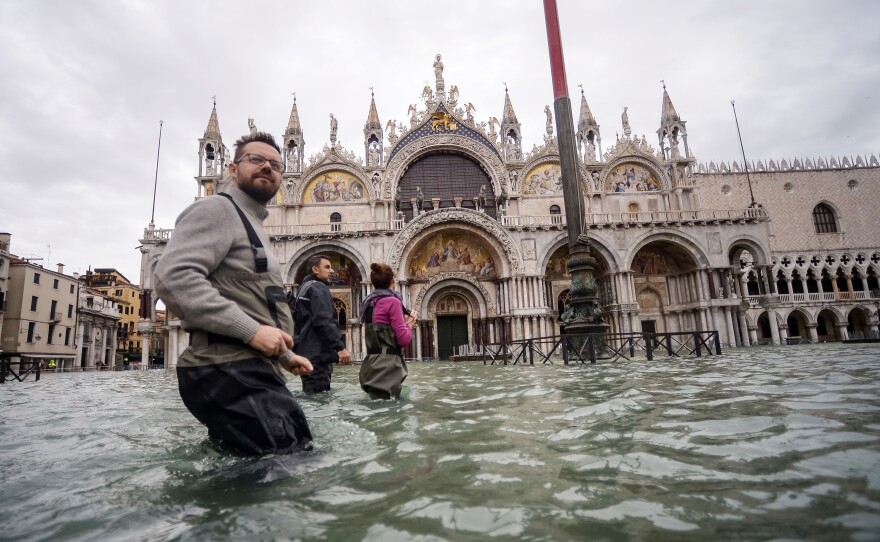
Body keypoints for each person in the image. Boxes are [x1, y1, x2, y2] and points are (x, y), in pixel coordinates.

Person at [154, 131, 315, 456]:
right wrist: (253, 332)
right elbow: (172, 277)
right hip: (229, 370)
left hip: (246, 369)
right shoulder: (217, 210)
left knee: (270, 466)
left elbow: (251, 300)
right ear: (231, 168)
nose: (267, 167)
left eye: (275, 164)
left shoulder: (251, 223)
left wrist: (284, 356)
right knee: (287, 470)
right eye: (256, 160)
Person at [292, 255, 351, 393]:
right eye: (327, 267)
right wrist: (340, 347)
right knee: (320, 399)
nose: (332, 271)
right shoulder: (318, 287)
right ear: (315, 270)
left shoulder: (303, 288)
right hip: (318, 356)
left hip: (306, 354)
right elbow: (323, 321)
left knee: (311, 397)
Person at [358, 263, 416, 399]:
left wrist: (405, 323)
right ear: (393, 280)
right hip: (387, 368)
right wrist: (410, 324)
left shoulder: (369, 302)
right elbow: (404, 340)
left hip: (370, 366)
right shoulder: (393, 301)